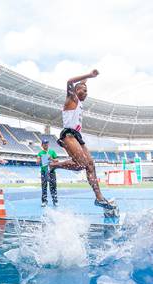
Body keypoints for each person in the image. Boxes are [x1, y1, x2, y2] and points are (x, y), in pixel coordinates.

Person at [50, 70, 116, 210]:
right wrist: (88, 75)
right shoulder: (72, 99)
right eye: (84, 90)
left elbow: (81, 84)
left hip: (78, 136)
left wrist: (86, 81)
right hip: (69, 135)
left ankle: (99, 198)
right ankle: (53, 165)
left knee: (90, 165)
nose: (86, 93)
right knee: (81, 165)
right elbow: (69, 81)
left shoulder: (79, 101)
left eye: (87, 91)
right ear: (76, 91)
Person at [37, 139, 58, 207]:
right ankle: (44, 201)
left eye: (47, 143)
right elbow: (37, 162)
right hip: (44, 171)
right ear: (42, 145)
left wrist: (51, 158)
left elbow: (57, 160)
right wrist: (40, 159)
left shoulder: (52, 151)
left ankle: (55, 201)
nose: (46, 145)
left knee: (53, 186)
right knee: (44, 187)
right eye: (44, 143)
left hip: (51, 171)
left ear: (48, 144)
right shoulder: (40, 153)